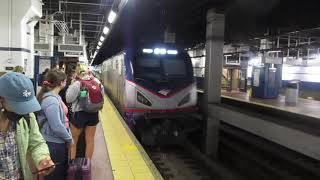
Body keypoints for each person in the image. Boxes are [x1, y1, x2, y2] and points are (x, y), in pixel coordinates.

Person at [0, 72, 54, 180]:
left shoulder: (26, 116)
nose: (23, 111)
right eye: (18, 106)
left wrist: (42, 158)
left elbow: (36, 142)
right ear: (1, 101)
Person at [36, 69, 73, 180]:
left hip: (57, 141)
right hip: (54, 143)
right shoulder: (51, 101)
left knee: (60, 172)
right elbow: (56, 126)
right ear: (61, 83)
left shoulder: (55, 97)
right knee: (56, 175)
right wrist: (69, 139)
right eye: (65, 81)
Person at [66, 65, 103, 160]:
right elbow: (102, 96)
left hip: (79, 114)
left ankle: (72, 166)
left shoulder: (77, 84)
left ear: (77, 73)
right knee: (90, 140)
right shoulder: (97, 82)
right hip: (94, 113)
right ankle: (87, 166)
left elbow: (68, 99)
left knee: (73, 141)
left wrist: (71, 85)